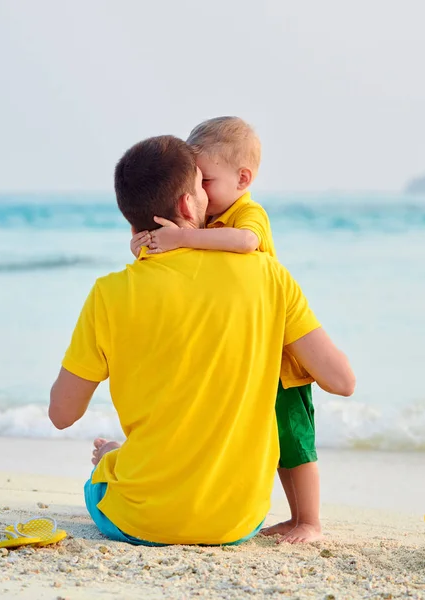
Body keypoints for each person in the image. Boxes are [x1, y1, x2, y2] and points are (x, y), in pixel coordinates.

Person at [49, 135, 355, 546]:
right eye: (201, 187)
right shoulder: (268, 275)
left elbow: (62, 414)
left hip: (140, 523)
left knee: (100, 477)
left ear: (130, 216)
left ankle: (117, 458)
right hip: (237, 524)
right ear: (186, 205)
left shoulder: (109, 292)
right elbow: (342, 381)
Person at [130, 117, 322, 543]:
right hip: (247, 353)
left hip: (280, 354)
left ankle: (309, 520)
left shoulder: (247, 214)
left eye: (207, 181)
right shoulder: (207, 218)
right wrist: (148, 240)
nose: (200, 192)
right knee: (270, 442)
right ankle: (289, 516)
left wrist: (181, 240)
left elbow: (244, 245)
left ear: (242, 178)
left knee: (295, 440)